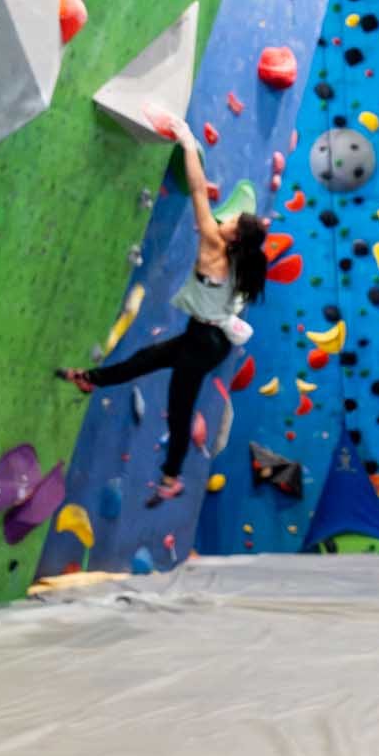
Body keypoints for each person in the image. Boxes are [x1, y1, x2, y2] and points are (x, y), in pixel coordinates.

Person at [57, 133, 266, 505]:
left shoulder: (214, 246)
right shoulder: (241, 261)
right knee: (144, 360)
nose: (226, 217)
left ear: (233, 236)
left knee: (179, 408)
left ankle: (171, 479)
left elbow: (199, 191)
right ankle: (90, 380)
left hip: (203, 343)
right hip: (204, 339)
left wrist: (188, 144)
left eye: (232, 219)